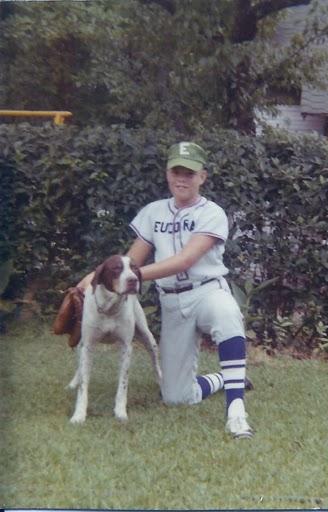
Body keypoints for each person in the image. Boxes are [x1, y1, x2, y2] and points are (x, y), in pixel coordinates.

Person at [79, 141, 254, 439]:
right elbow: (132, 259)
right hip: (172, 302)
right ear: (167, 174)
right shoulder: (153, 212)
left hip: (206, 291)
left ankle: (236, 411)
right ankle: (224, 378)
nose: (182, 178)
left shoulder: (213, 212)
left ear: (203, 177)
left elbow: (185, 259)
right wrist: (95, 277)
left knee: (227, 314)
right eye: (176, 171)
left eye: (190, 172)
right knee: (176, 396)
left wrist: (130, 278)